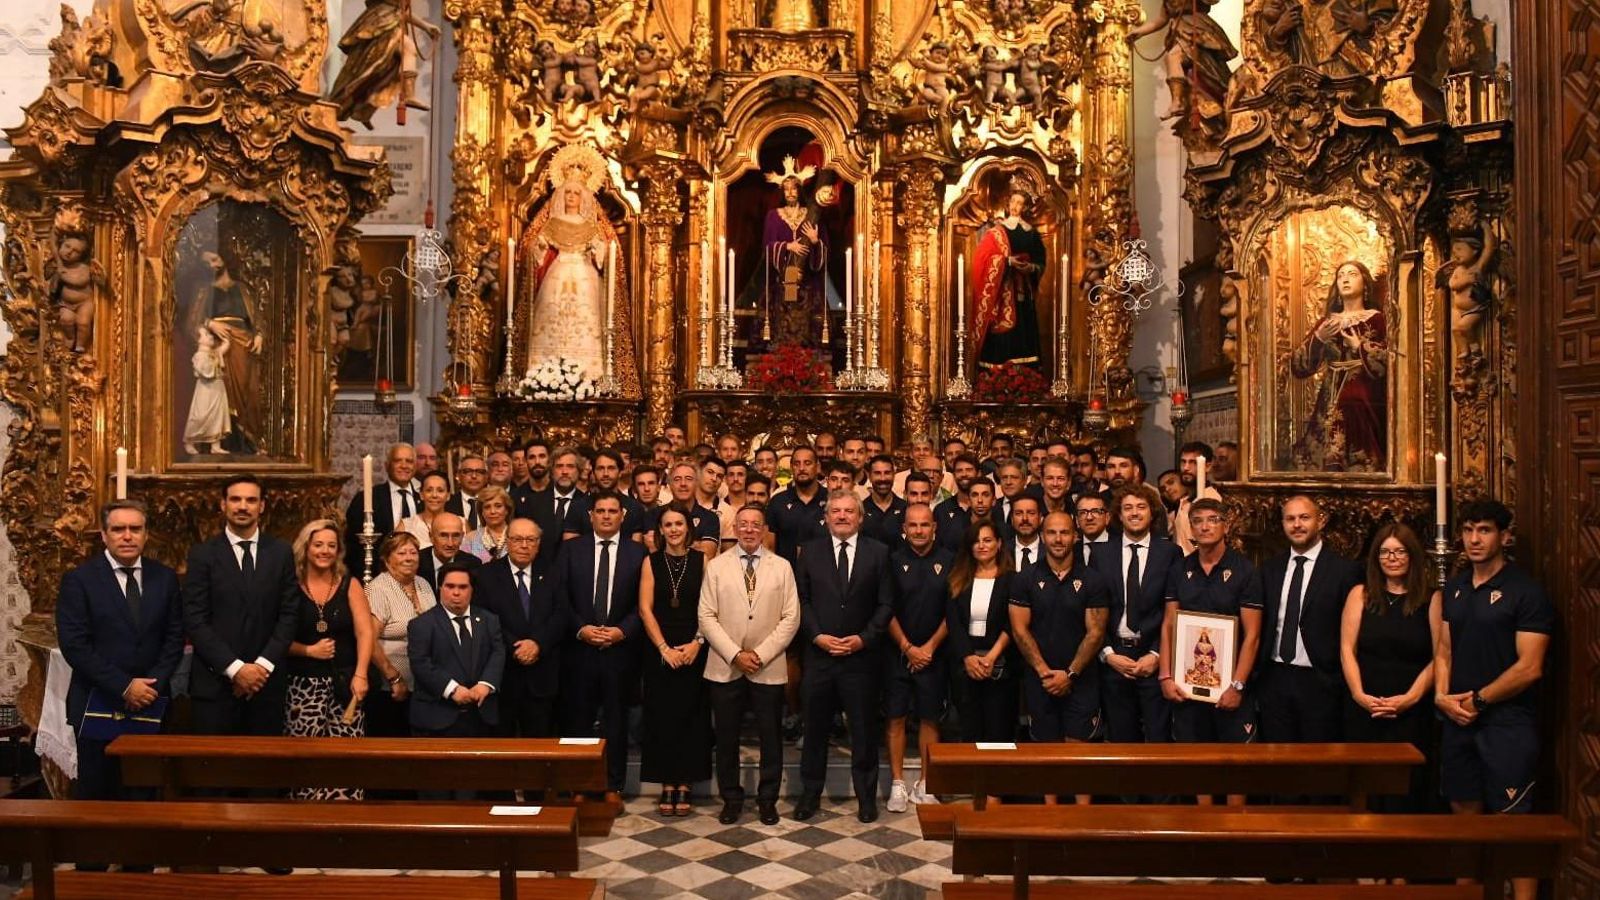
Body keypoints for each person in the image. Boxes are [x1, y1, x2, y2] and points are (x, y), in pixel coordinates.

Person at [1434, 499, 1554, 900]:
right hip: (1457, 720)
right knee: (1464, 825)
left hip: (1507, 724)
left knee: (1514, 824)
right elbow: (1444, 651)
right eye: (1468, 530)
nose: (1473, 539)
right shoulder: (1455, 587)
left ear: (1504, 536)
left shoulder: (1526, 592)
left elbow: (1530, 667)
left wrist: (1479, 701)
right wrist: (1442, 697)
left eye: (1483, 530)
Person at [57, 500, 184, 802]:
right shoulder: (79, 580)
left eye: (135, 529)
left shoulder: (164, 578)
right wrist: (125, 687)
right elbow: (75, 645)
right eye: (118, 529)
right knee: (99, 794)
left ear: (146, 534)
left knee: (146, 792)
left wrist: (151, 685)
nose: (127, 536)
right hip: (96, 702)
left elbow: (175, 637)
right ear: (104, 535)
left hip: (151, 703)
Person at [793, 490, 894, 823]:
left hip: (860, 660)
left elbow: (885, 604)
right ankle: (809, 795)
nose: (841, 516)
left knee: (863, 732)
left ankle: (866, 798)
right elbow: (801, 601)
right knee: (815, 731)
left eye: (849, 511)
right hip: (819, 657)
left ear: (860, 518)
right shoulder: (809, 552)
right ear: (826, 516)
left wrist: (862, 640)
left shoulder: (879, 553)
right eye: (835, 511)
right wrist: (818, 636)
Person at [700, 505, 800, 826]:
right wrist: (735, 654)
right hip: (725, 665)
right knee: (726, 736)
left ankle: (767, 799)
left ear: (765, 529)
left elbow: (791, 617)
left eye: (755, 525)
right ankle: (731, 798)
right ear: (735, 528)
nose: (748, 530)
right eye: (742, 524)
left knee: (770, 737)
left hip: (767, 665)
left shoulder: (782, 567)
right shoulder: (716, 567)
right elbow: (706, 616)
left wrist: (761, 653)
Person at [183, 475, 300, 738]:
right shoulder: (202, 554)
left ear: (262, 506)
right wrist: (236, 669)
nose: (243, 506)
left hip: (266, 685)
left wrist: (260, 667)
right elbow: (195, 619)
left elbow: (289, 615)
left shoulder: (281, 552)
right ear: (223, 505)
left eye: (251, 500)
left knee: (264, 775)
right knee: (214, 775)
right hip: (215, 686)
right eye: (235, 499)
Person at [1340, 522, 1437, 812]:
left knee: (1406, 792)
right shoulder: (1361, 594)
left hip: (1410, 709)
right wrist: (1359, 695)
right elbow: (1347, 649)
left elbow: (1440, 657)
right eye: (1384, 552)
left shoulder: (1432, 599)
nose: (1391, 558)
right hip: (1365, 706)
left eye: (1399, 551)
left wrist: (1410, 698)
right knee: (1364, 791)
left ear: (1413, 556)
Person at [555, 491, 648, 792]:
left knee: (616, 723)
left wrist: (624, 630)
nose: (606, 516)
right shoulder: (571, 550)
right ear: (590, 516)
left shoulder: (638, 554)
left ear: (623, 516)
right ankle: (578, 785)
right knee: (577, 721)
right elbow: (560, 598)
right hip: (579, 650)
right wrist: (580, 629)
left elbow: (643, 603)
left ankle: (613, 787)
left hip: (620, 650)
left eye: (612, 511)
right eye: (600, 511)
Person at [1258, 495, 1362, 742]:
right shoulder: (1269, 568)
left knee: (1319, 762)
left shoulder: (1344, 571)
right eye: (1290, 519)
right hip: (1275, 677)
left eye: (1304, 517)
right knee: (1275, 758)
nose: (1297, 525)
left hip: (1321, 680)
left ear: (1321, 520)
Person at [283, 519, 373, 799]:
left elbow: (365, 631)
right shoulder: (289, 585)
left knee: (345, 762)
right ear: (306, 547)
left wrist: (361, 674)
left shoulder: (350, 584)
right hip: (301, 687)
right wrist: (308, 650)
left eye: (331, 545)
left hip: (345, 685)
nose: (325, 550)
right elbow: (274, 638)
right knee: (306, 763)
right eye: (318, 544)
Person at [1161, 499, 1262, 744]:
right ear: (1191, 529)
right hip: (1187, 688)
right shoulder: (1179, 569)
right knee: (1190, 762)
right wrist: (1165, 676)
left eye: (1212, 520)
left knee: (1235, 766)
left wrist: (1237, 686)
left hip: (1230, 688)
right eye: (1197, 521)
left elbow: (1253, 636)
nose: (1204, 527)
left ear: (1226, 527)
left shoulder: (1245, 571)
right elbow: (1169, 625)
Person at [1011, 511, 1111, 745]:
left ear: (1075, 536)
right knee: (1046, 758)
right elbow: (1019, 630)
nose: (1058, 539)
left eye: (1065, 532)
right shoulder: (1025, 578)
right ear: (1042, 537)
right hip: (1040, 680)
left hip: (1081, 680)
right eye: (1052, 533)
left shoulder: (1093, 580)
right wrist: (1045, 672)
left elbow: (1095, 633)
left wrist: (1070, 674)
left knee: (1078, 759)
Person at [1096, 484, 1183, 744]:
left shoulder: (1169, 553)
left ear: (1152, 513)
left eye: (1141, 507)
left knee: (1159, 739)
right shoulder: (1101, 554)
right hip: (1114, 659)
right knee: (1121, 740)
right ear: (1118, 516)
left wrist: (1157, 655)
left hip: (1155, 659)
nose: (1135, 513)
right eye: (1128, 508)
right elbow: (1092, 611)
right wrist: (1108, 654)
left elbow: (1174, 611)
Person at [639, 508, 712, 817]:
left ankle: (686, 782)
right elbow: (645, 608)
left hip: (694, 646)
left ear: (688, 527)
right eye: (667, 524)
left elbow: (710, 606)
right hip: (661, 648)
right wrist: (664, 649)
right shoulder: (650, 561)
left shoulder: (703, 560)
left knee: (691, 716)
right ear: (660, 529)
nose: (673, 529)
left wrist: (697, 642)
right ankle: (667, 782)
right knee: (662, 716)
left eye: (678, 523)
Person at [885, 503, 952, 813]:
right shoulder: (893, 560)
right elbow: (886, 609)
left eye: (925, 525)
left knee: (930, 718)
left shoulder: (950, 560)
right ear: (904, 528)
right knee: (896, 717)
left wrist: (928, 649)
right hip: (899, 653)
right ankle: (897, 784)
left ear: (934, 526)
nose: (919, 530)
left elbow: (954, 613)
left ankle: (927, 783)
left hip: (935, 655)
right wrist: (908, 647)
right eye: (913, 525)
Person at [1291, 260, 1388, 472]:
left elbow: (1390, 361)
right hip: (1329, 393)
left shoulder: (1377, 320)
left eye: (1352, 274)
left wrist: (1360, 346)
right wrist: (1318, 339)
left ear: (1365, 284)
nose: (1345, 278)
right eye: (1341, 275)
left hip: (1364, 395)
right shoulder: (1327, 323)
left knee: (1352, 407)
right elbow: (1299, 366)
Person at [473, 518, 563, 741]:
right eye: (517, 539)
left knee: (540, 749)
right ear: (507, 542)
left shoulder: (553, 573)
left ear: (539, 543)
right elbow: (484, 620)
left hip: (542, 676)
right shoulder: (486, 575)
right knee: (501, 750)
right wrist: (516, 647)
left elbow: (561, 615)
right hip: (502, 677)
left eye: (531, 540)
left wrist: (537, 644)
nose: (524, 545)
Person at [408, 563, 503, 738]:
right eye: (450, 586)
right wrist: (452, 689)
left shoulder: (489, 620)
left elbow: (497, 653)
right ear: (440, 588)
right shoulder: (421, 624)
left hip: (481, 716)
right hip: (437, 718)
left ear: (472, 590)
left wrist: (486, 684)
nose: (456, 593)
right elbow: (421, 663)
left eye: (463, 587)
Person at [946, 520, 1018, 744]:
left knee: (998, 732)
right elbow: (953, 621)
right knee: (969, 731)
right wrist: (968, 657)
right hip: (965, 665)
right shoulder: (957, 578)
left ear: (998, 544)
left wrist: (991, 657)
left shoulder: (1012, 580)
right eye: (976, 541)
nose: (981, 545)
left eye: (987, 540)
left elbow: (1012, 623)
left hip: (1000, 664)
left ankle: (998, 780)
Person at [365, 531, 437, 737]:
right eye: (401, 552)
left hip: (423, 685)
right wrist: (393, 677)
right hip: (390, 688)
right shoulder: (378, 588)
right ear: (387, 558)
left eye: (413, 552)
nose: (409, 558)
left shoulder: (423, 584)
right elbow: (368, 639)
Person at [971, 189, 1046, 369]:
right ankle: (996, 373)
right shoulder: (997, 232)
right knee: (1001, 335)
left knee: (1024, 328)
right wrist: (1006, 261)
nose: (1015, 206)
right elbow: (981, 260)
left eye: (1020, 203)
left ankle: (1026, 375)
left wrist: (1032, 267)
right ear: (1008, 203)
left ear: (1025, 207)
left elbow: (1040, 261)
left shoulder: (1031, 233)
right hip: (1002, 291)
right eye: (1013, 201)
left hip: (1023, 291)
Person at [342, 442, 417, 575]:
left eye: (409, 461)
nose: (404, 465)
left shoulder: (423, 499)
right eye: (398, 461)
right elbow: (352, 544)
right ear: (387, 466)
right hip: (376, 574)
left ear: (415, 466)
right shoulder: (367, 498)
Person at [769, 445, 827, 563]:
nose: (801, 468)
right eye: (797, 464)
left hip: (824, 576)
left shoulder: (832, 501)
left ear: (817, 467)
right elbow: (769, 547)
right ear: (791, 467)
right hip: (785, 575)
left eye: (807, 463)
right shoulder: (777, 502)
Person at [1172, 442, 1222, 554]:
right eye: (1183, 462)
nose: (1186, 468)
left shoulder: (1212, 500)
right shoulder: (1184, 499)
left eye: (1193, 462)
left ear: (1207, 466)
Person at [416, 512, 479, 594]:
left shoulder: (473, 565)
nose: (450, 543)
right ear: (431, 537)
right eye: (443, 535)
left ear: (462, 536)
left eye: (456, 536)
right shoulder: (416, 562)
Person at [861, 454, 908, 553]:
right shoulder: (860, 510)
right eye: (877, 473)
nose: (883, 478)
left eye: (887, 473)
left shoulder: (906, 509)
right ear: (869, 476)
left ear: (894, 475)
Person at [398, 472, 451, 550]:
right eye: (429, 490)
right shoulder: (406, 526)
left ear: (448, 496)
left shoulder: (462, 524)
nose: (434, 495)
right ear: (421, 495)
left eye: (440, 491)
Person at [461, 485, 513, 562]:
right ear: (481, 512)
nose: (493, 511)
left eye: (498, 506)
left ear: (507, 510)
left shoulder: (517, 536)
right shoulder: (470, 539)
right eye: (487, 507)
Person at [446, 454, 488, 530]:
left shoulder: (494, 503)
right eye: (468, 471)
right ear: (458, 475)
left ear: (486, 477)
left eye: (479, 472)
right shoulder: (447, 504)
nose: (474, 476)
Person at [1074, 492, 1115, 566]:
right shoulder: (1071, 551)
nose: (1089, 517)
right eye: (1083, 512)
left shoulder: (1121, 548)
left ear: (1107, 517)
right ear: (1077, 520)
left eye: (1096, 511)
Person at [1005, 495, 1043, 572]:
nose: (1025, 518)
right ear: (1012, 519)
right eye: (1019, 513)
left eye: (1031, 513)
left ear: (1040, 518)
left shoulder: (1050, 551)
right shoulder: (1002, 551)